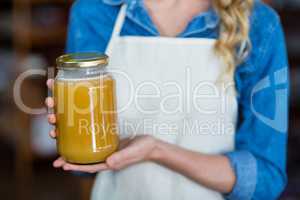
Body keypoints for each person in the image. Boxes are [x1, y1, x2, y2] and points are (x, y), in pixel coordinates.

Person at [45, 0, 289, 199]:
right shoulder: (93, 12)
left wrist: (157, 150)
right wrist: (77, 137)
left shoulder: (259, 25)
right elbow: (85, 170)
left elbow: (265, 179)